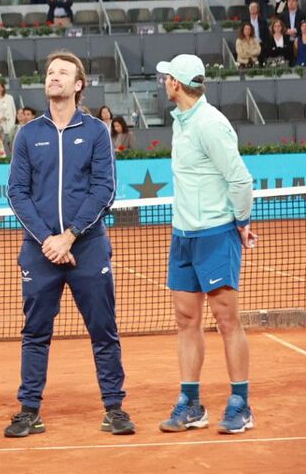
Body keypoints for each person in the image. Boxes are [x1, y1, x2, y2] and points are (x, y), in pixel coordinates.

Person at [5, 52, 133, 438]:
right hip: (40, 250)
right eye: (49, 72)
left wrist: (71, 235)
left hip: (88, 246)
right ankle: (29, 410)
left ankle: (114, 408)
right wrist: (48, 239)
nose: (54, 77)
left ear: (78, 85)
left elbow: (104, 189)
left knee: (103, 330)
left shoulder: (95, 131)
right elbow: (16, 191)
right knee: (35, 333)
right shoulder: (28, 134)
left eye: (63, 72)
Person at [153, 54, 256, 435]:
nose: (164, 82)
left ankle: (240, 404)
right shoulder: (181, 121)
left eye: (167, 78)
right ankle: (191, 403)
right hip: (183, 236)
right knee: (186, 320)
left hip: (215, 234)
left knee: (227, 320)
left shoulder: (211, 124)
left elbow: (241, 180)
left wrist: (242, 223)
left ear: (176, 84)